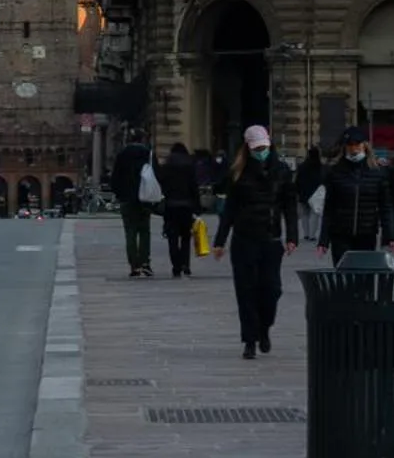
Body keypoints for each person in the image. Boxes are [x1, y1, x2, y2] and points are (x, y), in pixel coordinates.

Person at [210, 126, 298, 359]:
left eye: (264, 148)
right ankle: (249, 340)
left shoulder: (282, 171)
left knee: (272, 290)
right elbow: (229, 211)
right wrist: (219, 242)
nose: (261, 151)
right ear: (248, 148)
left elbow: (290, 206)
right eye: (257, 148)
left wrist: (292, 237)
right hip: (244, 240)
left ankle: (264, 327)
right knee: (246, 292)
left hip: (271, 239)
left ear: (270, 145)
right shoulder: (239, 173)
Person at [316, 127, 394, 263]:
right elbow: (329, 209)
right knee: (343, 276)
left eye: (357, 145)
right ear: (344, 147)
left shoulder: (377, 173)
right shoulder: (335, 173)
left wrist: (390, 236)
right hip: (340, 234)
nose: (354, 149)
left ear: (364, 145)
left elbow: (385, 207)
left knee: (364, 275)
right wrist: (323, 241)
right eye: (350, 145)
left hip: (367, 233)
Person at [109, 134, 155, 278]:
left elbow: (115, 178)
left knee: (130, 232)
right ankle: (145, 263)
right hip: (145, 198)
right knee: (145, 231)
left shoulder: (121, 155)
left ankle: (134, 265)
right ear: (142, 140)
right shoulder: (147, 154)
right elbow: (156, 175)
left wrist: (119, 194)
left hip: (127, 200)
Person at [157, 142, 201, 278]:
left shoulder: (166, 165)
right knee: (186, 237)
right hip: (187, 206)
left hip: (171, 206)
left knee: (172, 238)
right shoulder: (190, 165)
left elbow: (161, 184)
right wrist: (197, 206)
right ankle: (185, 265)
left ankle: (176, 266)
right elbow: (194, 187)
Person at [295, 146, 324, 244]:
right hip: (316, 194)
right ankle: (312, 235)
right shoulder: (321, 167)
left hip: (303, 192)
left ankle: (306, 234)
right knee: (314, 215)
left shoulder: (302, 166)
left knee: (304, 215)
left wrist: (297, 192)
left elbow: (297, 180)